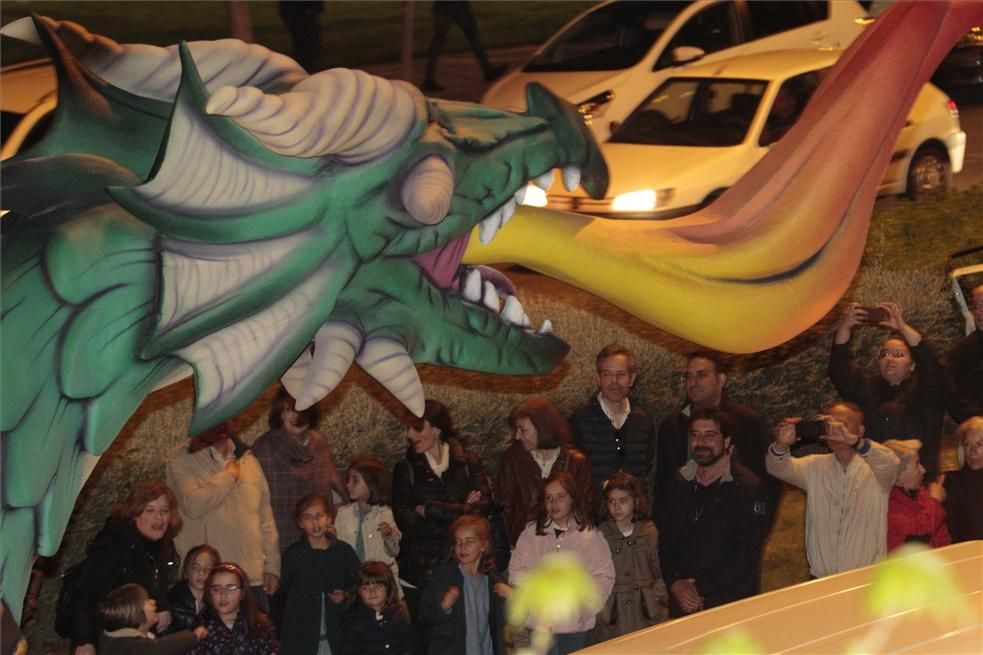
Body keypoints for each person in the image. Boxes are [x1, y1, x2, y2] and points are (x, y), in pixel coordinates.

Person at [391, 400, 493, 645]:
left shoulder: (467, 462)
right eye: (407, 428)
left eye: (416, 427)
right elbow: (408, 522)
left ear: (436, 428)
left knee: (468, 639)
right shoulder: (406, 469)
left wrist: (432, 510)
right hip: (420, 573)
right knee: (428, 644)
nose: (409, 434)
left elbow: (484, 509)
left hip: (464, 570)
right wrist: (463, 512)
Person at [766, 402, 900, 578]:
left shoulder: (875, 470)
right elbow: (778, 467)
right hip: (822, 578)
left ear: (860, 430)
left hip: (866, 578)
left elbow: (890, 462)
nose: (835, 429)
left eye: (843, 423)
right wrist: (782, 444)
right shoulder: (814, 466)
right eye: (830, 424)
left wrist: (856, 442)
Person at [660, 408, 770, 617]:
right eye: (695, 435)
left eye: (710, 435)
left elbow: (746, 554)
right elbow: (666, 540)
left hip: (727, 604)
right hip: (682, 601)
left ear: (727, 441)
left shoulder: (749, 488)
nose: (700, 442)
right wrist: (675, 583)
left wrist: (698, 588)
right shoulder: (680, 481)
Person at [654, 351, 777, 528]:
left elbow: (768, 482)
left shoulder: (749, 423)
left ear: (721, 380)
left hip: (733, 529)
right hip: (682, 527)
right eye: (688, 376)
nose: (693, 382)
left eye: (701, 375)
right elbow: (662, 484)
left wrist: (758, 525)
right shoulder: (672, 425)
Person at [166, 422, 281, 612]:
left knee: (258, 640)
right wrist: (229, 476)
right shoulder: (182, 459)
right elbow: (193, 504)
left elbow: (265, 518)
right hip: (208, 582)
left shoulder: (247, 459)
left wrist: (272, 566)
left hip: (251, 580)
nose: (221, 423)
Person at [63, 480, 182, 655]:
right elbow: (85, 595)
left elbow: (158, 581)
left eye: (164, 511)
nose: (159, 518)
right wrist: (84, 640)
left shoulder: (160, 545)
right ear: (134, 514)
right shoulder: (114, 546)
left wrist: (163, 606)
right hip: (105, 640)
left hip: (135, 639)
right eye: (150, 510)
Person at [829, 302, 945, 479]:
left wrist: (902, 327)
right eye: (884, 354)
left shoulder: (925, 391)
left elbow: (931, 363)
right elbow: (839, 370)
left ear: (913, 364)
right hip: (874, 479)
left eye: (898, 355)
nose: (889, 359)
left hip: (917, 480)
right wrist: (845, 326)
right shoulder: (867, 389)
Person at [509, 472, 615, 655]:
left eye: (560, 497)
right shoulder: (531, 534)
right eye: (548, 498)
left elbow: (603, 576)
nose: (553, 504)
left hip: (575, 627)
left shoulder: (590, 536)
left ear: (573, 498)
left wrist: (585, 609)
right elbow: (518, 572)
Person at [252, 387, 347, 550]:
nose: (296, 416)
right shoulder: (265, 447)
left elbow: (334, 487)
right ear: (279, 413)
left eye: (302, 409)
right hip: (280, 536)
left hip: (319, 536)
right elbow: (253, 498)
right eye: (289, 410)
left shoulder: (319, 443)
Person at [496, 397, 594, 548]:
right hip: (527, 547)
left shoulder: (576, 462)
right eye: (516, 430)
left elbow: (586, 508)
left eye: (523, 430)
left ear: (542, 428)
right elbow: (505, 508)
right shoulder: (512, 459)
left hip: (568, 547)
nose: (517, 436)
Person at [569, 344, 655, 509]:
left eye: (621, 374)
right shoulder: (580, 420)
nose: (614, 382)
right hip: (594, 516)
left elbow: (647, 463)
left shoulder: (643, 420)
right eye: (607, 374)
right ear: (598, 379)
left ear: (632, 379)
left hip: (633, 516)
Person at [589, 472, 667, 644]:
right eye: (611, 501)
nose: (617, 507)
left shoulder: (649, 532)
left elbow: (661, 570)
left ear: (636, 501)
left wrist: (654, 597)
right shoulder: (601, 534)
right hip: (612, 614)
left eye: (623, 501)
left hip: (645, 612)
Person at [278, 494, 360, 655]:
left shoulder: (344, 552)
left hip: (338, 632)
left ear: (329, 518)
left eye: (319, 516)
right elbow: (283, 593)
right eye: (308, 518)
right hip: (302, 637)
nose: (315, 523)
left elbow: (359, 583)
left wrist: (345, 594)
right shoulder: (293, 554)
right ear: (300, 523)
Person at [420, 515, 509, 655]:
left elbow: (511, 619)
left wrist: (511, 596)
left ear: (484, 545)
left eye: (469, 541)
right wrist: (443, 606)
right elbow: (424, 615)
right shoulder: (444, 576)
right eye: (458, 542)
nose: (462, 547)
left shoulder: (492, 580)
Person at [335, 456, 402, 589]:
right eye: (348, 480)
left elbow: (394, 551)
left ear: (372, 483)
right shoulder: (343, 513)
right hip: (353, 581)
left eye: (355, 480)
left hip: (380, 583)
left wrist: (389, 535)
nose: (348, 484)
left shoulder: (385, 513)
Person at [189, 563, 279, 654]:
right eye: (216, 589)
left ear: (242, 593)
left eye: (230, 588)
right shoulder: (201, 627)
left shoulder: (258, 625)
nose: (223, 595)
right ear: (209, 594)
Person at [97, 584, 206, 655]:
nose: (153, 602)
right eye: (147, 601)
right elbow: (159, 648)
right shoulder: (125, 646)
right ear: (136, 613)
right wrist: (194, 636)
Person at [422, 1, 507, 92]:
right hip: (459, 7)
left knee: (438, 41)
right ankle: (487, 70)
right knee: (473, 37)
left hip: (443, 6)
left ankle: (429, 78)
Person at [882, 440, 951, 552]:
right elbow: (918, 534)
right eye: (916, 465)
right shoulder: (888, 505)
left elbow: (941, 534)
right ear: (898, 477)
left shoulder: (920, 494)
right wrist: (935, 501)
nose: (923, 470)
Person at [340, 562, 418, 655]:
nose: (372, 592)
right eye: (365, 588)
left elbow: (411, 645)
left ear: (388, 588)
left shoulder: (399, 614)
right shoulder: (353, 621)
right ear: (358, 591)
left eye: (378, 586)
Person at [944, 282, 983, 423]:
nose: (979, 312)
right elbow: (952, 392)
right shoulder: (962, 351)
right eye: (975, 306)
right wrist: (976, 419)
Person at [944, 416, 983, 542]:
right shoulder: (954, 481)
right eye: (967, 445)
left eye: (979, 444)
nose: (972, 452)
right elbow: (951, 530)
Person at [167, 545, 220, 634]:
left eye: (208, 569)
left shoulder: (218, 600)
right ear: (186, 571)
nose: (201, 573)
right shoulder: (172, 599)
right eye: (195, 568)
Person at [278, 1, 324, 72]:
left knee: (306, 46)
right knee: (306, 46)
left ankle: (306, 67)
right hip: (300, 16)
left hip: (300, 15)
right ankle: (307, 67)